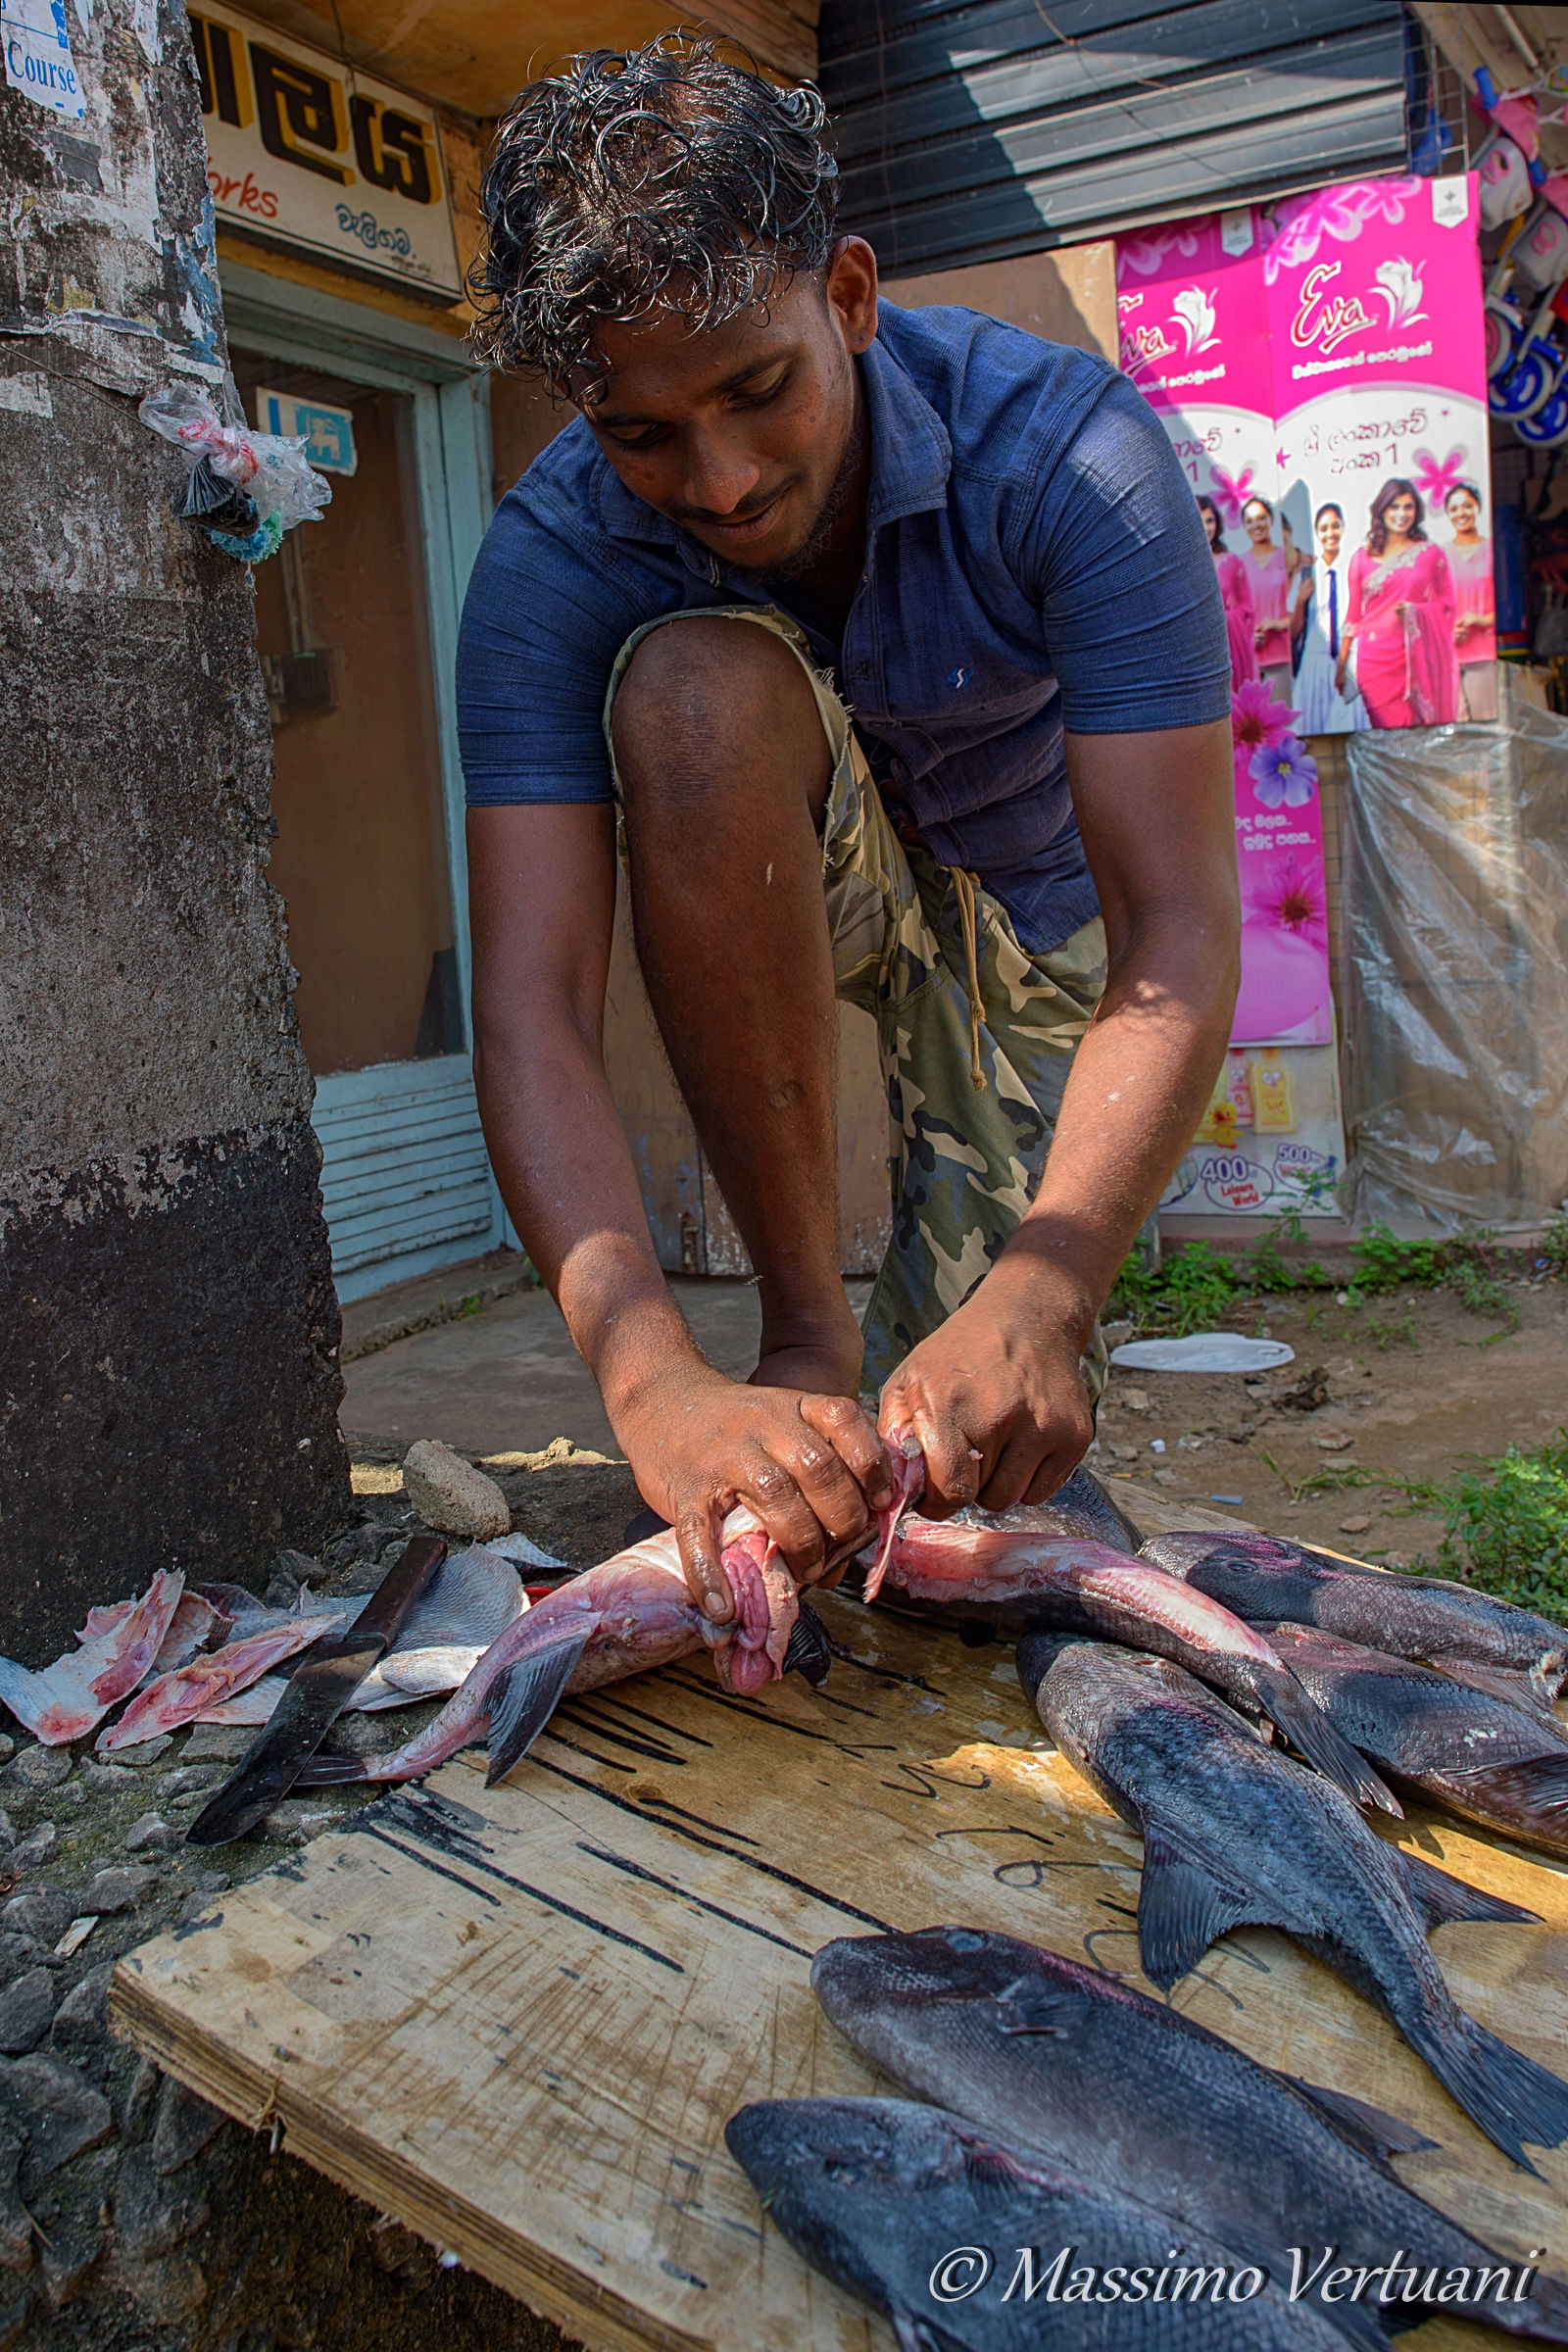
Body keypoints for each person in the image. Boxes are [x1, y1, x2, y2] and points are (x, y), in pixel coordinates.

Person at [457, 37, 1238, 1620]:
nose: (722, 479)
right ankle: (802, 1326)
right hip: (791, 861)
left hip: (1038, 904)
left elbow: (1178, 924)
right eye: (640, 433)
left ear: (852, 296)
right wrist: (650, 1380)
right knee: (690, 691)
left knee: (966, 1450)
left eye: (759, 390)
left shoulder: (1074, 456)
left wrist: (1049, 1281)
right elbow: (530, 999)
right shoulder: (549, 560)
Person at [1338, 478, 1459, 728]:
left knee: (1419, 733)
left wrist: (1416, 612)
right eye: (1394, 506)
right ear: (1381, 510)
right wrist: (1340, 666)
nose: (1401, 514)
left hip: (1416, 658)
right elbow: (1353, 617)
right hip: (1374, 661)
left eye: (1408, 507)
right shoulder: (1361, 558)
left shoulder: (1430, 554)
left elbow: (1447, 605)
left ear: (1417, 511)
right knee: (1385, 732)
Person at [1294, 504, 1369, 734]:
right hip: (1316, 664)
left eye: (1335, 526)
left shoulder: (1353, 569)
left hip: (1349, 663)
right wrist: (1300, 600)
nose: (1330, 533)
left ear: (1343, 528)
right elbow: (1294, 630)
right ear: (1317, 533)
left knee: (1352, 727)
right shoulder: (1307, 573)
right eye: (1324, 528)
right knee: (1314, 729)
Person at [1446, 479, 1497, 721]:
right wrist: (1448, 631)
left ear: (1477, 506)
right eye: (1454, 508)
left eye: (1467, 506)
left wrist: (1481, 619)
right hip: (1449, 654)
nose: (1461, 513)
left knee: (1485, 723)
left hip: (1484, 653)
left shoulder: (1492, 550)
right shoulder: (1441, 555)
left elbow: (1506, 605)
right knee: (1456, 727)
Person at [1240, 496, 1298, 699]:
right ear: (1244, 526)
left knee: (1282, 713)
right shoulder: (1240, 563)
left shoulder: (1286, 558)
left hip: (1283, 656)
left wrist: (1278, 624)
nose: (1256, 525)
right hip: (1251, 659)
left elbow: (1300, 605)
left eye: (1261, 518)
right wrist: (1248, 636)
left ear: (1270, 520)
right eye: (1249, 521)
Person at [1198, 493, 1256, 691]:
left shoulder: (1231, 561)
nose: (1206, 527)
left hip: (1231, 646)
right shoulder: (1182, 565)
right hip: (1199, 648)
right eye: (1199, 520)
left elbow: (1247, 608)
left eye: (1210, 520)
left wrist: (1227, 620)